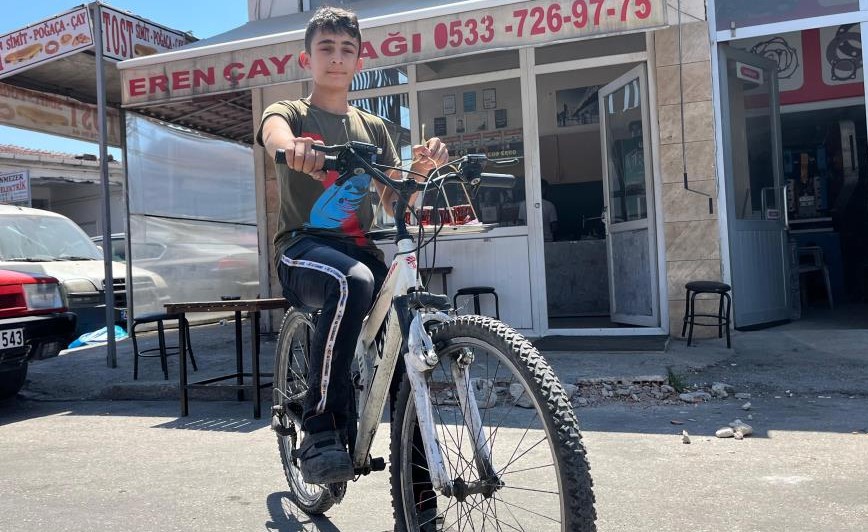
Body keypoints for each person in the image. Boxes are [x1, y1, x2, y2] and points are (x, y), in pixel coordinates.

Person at [256, 6, 448, 485]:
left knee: (409, 321)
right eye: (326, 48)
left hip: (359, 250)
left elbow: (394, 199)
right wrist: (291, 147)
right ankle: (320, 428)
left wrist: (420, 171)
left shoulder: (374, 129)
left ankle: (418, 476)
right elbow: (272, 134)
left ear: (359, 62)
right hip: (302, 249)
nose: (337, 58)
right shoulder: (290, 113)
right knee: (352, 282)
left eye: (347, 50)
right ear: (307, 59)